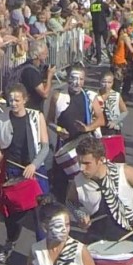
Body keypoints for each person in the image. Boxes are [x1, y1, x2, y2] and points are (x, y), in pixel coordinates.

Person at [68, 137, 133, 265]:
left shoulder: (124, 172)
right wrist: (79, 214)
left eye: (87, 163)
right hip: (97, 244)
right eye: (79, 162)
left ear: (100, 160)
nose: (82, 168)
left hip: (129, 240)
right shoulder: (77, 181)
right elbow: (70, 201)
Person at [0, 84, 53, 264]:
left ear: (25, 100)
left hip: (35, 172)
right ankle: (10, 242)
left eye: (17, 100)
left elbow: (45, 146)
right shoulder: (2, 119)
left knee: (40, 215)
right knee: (12, 216)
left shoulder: (36, 116)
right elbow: (0, 148)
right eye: (10, 100)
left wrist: (34, 165)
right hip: (13, 172)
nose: (13, 103)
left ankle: (44, 252)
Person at [18, 195, 102, 265]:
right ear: (45, 227)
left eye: (67, 225)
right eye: (58, 225)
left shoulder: (80, 250)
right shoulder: (36, 250)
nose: (64, 230)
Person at [49, 64, 105, 204]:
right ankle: (60, 212)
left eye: (81, 79)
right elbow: (48, 120)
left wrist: (87, 128)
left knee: (87, 181)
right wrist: (58, 130)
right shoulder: (58, 96)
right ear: (68, 79)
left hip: (85, 146)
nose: (77, 82)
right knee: (60, 184)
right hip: (64, 146)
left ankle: (88, 211)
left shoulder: (90, 96)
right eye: (74, 78)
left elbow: (101, 120)